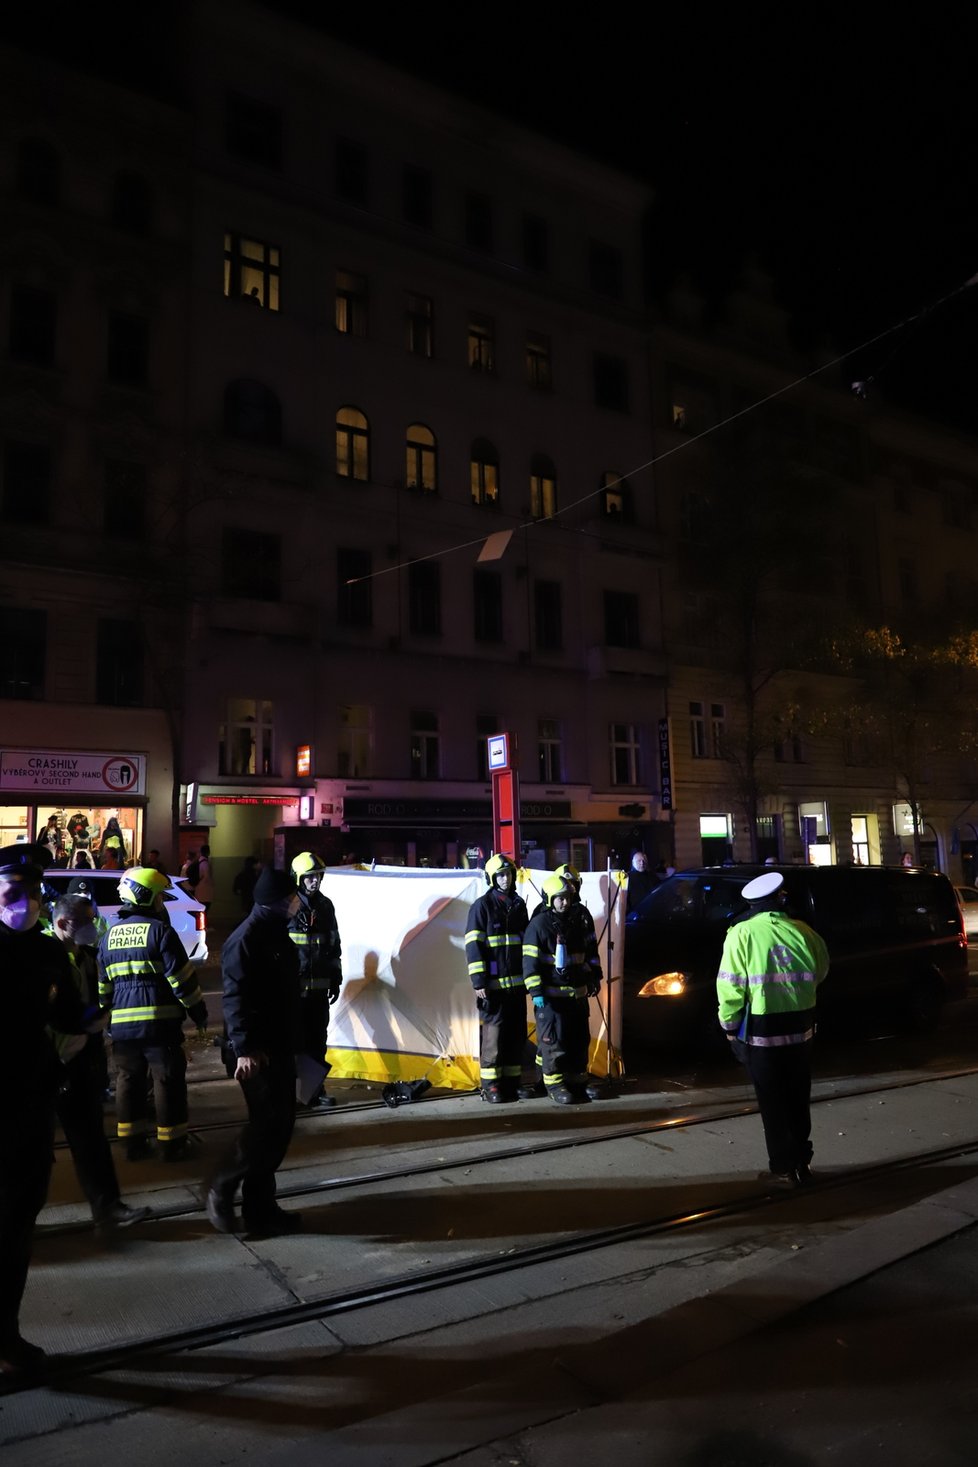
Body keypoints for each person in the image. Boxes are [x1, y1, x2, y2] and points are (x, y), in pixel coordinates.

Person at [0, 843, 86, 1382]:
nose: (24, 903)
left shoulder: (48, 952)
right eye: (13, 892)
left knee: (15, 1231)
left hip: (28, 1106)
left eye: (33, 893)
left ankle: (5, 1335)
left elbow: (70, 1015)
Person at [716, 870, 830, 1186]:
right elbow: (821, 971)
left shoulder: (741, 934)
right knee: (797, 1097)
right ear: (779, 900)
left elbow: (730, 988)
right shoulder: (804, 931)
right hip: (802, 1028)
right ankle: (803, 1165)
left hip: (761, 1033)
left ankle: (783, 1168)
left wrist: (729, 1027)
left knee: (773, 1102)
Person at [206, 865, 303, 1236]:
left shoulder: (276, 932)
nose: (296, 902)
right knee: (267, 1125)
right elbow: (235, 998)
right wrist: (245, 1048)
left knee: (279, 1127)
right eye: (291, 897)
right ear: (277, 901)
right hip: (255, 1051)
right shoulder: (247, 938)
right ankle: (223, 1183)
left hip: (277, 1045)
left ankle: (261, 1208)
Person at [50, 896, 150, 1234]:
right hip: (49, 1066)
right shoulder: (45, 960)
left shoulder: (87, 957)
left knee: (91, 1140)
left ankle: (107, 1208)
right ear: (63, 924)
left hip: (82, 1064)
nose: (94, 928)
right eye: (87, 922)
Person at [96, 867, 209, 1162]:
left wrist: (107, 1021)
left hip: (122, 1028)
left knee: (128, 1082)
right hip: (160, 1026)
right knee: (166, 1081)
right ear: (145, 896)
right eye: (159, 897)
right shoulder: (160, 932)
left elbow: (103, 989)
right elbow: (183, 982)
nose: (162, 903)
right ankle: (171, 1145)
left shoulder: (109, 936)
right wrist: (198, 1013)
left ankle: (132, 1144)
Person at [521, 873, 602, 1104]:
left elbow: (589, 953)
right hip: (551, 999)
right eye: (559, 898)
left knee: (579, 1040)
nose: (564, 902)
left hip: (577, 996)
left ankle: (578, 1081)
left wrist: (594, 977)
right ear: (549, 899)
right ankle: (554, 1084)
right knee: (552, 1043)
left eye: (567, 897)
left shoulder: (579, 920)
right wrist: (536, 993)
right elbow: (530, 962)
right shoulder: (538, 925)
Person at [464, 853, 529, 1103]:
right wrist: (479, 980)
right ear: (492, 878)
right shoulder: (482, 906)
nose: (505, 878)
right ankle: (491, 1085)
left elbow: (526, 945)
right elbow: (473, 944)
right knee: (494, 1037)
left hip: (516, 986)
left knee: (515, 1034)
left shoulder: (518, 904)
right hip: (492, 986)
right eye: (500, 875)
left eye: (508, 874)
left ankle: (512, 1082)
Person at [288, 852, 344, 1109]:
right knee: (294, 1043)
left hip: (319, 990)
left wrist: (335, 976)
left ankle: (313, 1091)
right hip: (293, 991)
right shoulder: (289, 905)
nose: (315, 882)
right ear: (299, 878)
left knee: (317, 1041)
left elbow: (334, 944)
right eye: (309, 877)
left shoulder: (326, 905)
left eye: (318, 877)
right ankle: (293, 1093)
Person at [193, 845, 214, 911]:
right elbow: (207, 877)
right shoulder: (205, 863)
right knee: (205, 909)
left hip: (198, 889)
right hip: (205, 891)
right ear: (208, 852)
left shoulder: (198, 862)